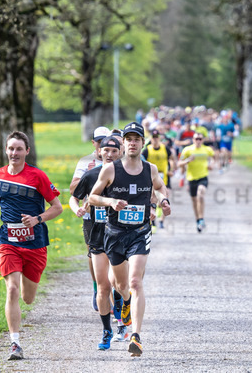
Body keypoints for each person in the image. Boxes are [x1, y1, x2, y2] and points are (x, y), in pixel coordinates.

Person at [87, 121, 172, 357]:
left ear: (142, 143)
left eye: (137, 139)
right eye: (129, 139)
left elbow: (160, 189)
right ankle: (125, 303)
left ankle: (136, 335)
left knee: (135, 283)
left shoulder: (150, 169)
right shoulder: (110, 170)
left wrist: (163, 201)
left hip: (140, 232)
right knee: (120, 285)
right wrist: (111, 201)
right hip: (114, 234)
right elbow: (93, 197)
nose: (132, 143)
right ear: (123, 143)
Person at [0, 131, 63, 361]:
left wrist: (38, 218)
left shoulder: (38, 176)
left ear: (27, 151)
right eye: (11, 148)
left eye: (19, 149)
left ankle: (17, 333)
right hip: (8, 240)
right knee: (12, 289)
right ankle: (15, 343)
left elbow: (57, 207)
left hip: (35, 243)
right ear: (6, 150)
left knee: (27, 297)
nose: (14, 153)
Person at [70, 134, 124, 350]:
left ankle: (122, 317)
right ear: (99, 152)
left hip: (121, 237)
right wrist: (78, 209)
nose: (109, 154)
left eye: (114, 151)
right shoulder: (91, 175)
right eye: (106, 150)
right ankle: (107, 330)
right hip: (97, 236)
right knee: (103, 286)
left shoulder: (128, 175)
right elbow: (74, 197)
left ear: (120, 152)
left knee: (118, 283)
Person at [69, 126, 110, 311]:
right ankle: (97, 289)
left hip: (113, 214)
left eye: (106, 141)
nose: (102, 145)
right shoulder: (85, 161)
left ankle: (112, 292)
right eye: (99, 141)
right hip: (91, 215)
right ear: (93, 143)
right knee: (93, 254)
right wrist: (90, 174)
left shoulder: (118, 160)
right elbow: (73, 189)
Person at [178, 131, 215, 232]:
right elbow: (179, 163)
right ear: (193, 140)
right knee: (194, 201)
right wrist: (187, 161)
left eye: (200, 139)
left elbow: (213, 158)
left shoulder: (207, 149)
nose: (198, 141)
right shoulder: (187, 150)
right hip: (191, 178)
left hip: (203, 177)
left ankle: (202, 219)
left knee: (201, 195)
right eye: (196, 139)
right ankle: (198, 220)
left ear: (202, 140)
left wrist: (212, 164)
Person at [144, 129, 174, 228]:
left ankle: (161, 219)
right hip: (151, 178)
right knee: (153, 199)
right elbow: (141, 162)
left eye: (157, 137)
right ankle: (153, 221)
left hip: (164, 177)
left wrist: (172, 169)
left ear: (159, 138)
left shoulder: (165, 148)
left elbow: (172, 158)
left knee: (165, 197)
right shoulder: (147, 150)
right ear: (151, 138)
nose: (155, 139)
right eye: (154, 137)